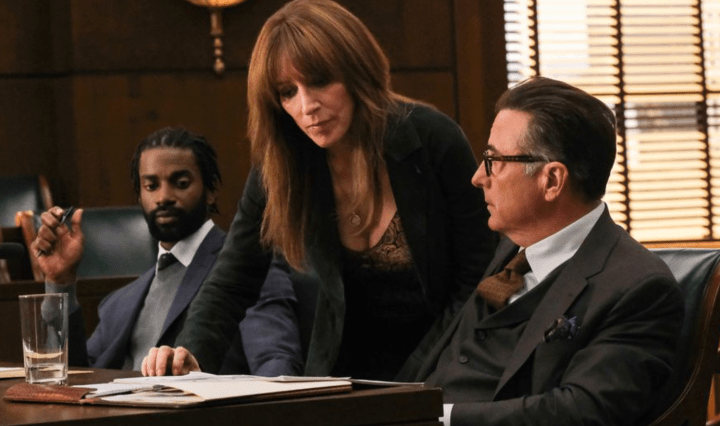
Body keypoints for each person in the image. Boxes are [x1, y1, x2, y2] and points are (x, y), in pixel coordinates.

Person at [141, 0, 495, 380]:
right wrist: (190, 354)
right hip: (340, 378)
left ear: (357, 71)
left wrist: (419, 379)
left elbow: (479, 276)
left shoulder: (432, 139)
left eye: (320, 81)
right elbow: (234, 278)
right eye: (287, 92)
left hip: (449, 363)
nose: (307, 105)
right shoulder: (281, 165)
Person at [402, 76, 685, 425]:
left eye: (493, 160)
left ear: (551, 180)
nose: (478, 177)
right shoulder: (509, 249)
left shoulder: (639, 287)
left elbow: (584, 411)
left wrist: (441, 418)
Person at [31, 127, 303, 375]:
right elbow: (72, 374)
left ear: (210, 192)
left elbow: (275, 365)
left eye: (181, 183)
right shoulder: (120, 302)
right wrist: (60, 282)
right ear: (139, 197)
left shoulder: (249, 269)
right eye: (151, 186)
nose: (163, 197)